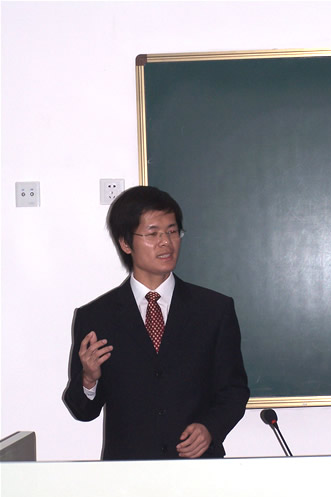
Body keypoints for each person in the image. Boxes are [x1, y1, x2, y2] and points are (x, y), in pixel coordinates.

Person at [63, 186, 249, 460]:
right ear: (126, 243)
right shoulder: (96, 317)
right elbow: (83, 411)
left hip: (197, 467)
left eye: (172, 231)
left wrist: (210, 428)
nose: (166, 242)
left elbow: (234, 390)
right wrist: (89, 379)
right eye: (153, 234)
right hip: (128, 471)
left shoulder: (213, 310)